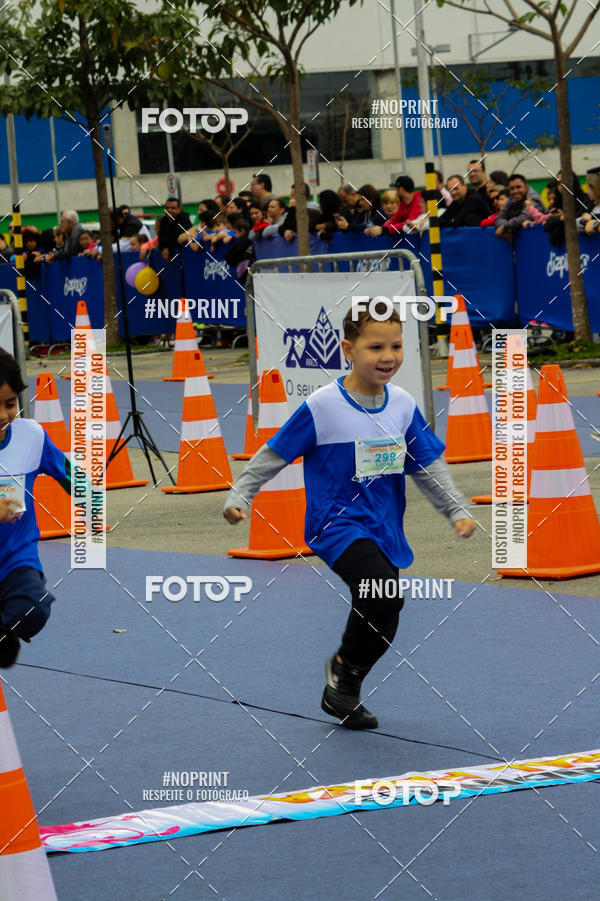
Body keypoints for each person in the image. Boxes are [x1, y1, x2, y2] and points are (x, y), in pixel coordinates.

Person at [223, 301, 475, 729]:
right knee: (383, 593)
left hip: (383, 525)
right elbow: (275, 452)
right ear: (348, 348)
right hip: (335, 524)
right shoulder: (323, 405)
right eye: (375, 346)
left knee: (386, 608)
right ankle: (344, 671)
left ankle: (345, 679)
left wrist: (455, 510)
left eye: (396, 346)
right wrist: (241, 494)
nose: (388, 356)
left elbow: (427, 465)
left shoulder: (401, 404)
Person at [0, 348, 73, 668]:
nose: (4, 414)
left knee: (36, 607)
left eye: (10, 403)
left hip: (16, 558)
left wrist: (88, 493)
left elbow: (67, 471)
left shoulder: (31, 436)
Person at [495, 174, 545, 242]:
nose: (515, 191)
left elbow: (525, 217)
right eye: (512, 188)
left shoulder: (532, 198)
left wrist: (505, 227)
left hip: (538, 240)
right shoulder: (511, 198)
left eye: (518, 187)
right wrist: (507, 228)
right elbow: (498, 218)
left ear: (526, 187)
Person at [576, 166, 600, 235]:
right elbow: (577, 222)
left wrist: (592, 218)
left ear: (596, 189)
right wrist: (582, 221)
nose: (587, 191)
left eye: (588, 188)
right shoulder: (590, 204)